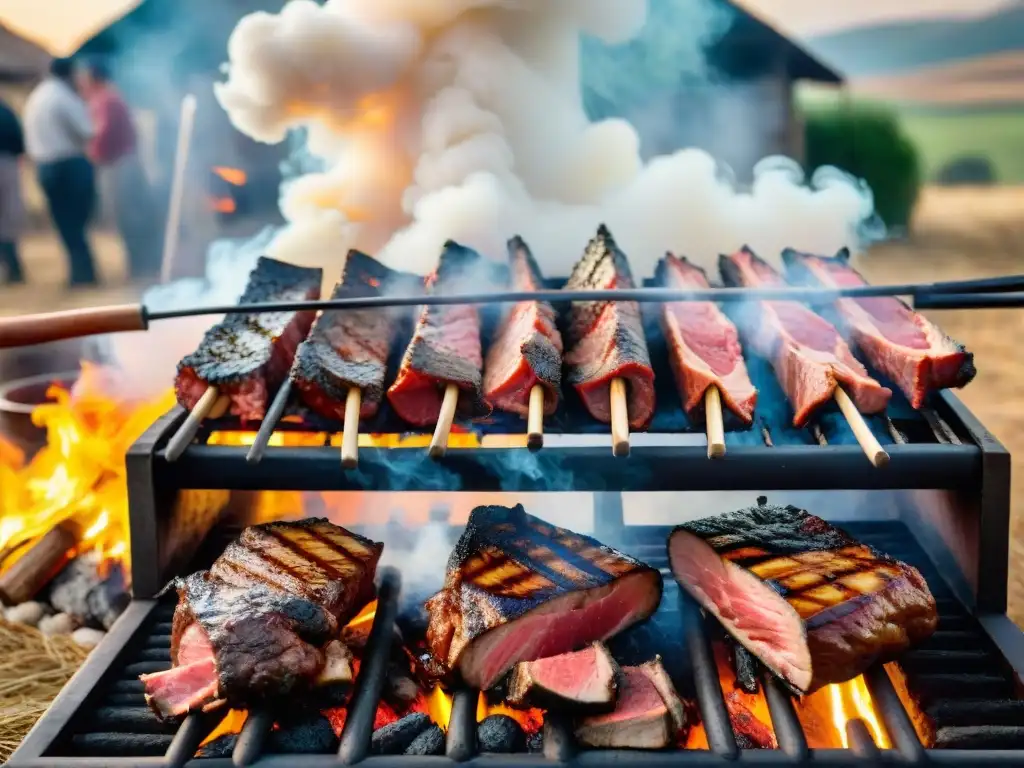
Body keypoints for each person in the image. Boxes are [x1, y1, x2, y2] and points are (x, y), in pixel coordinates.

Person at [77, 58, 160, 280]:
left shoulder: (107, 100)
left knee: (128, 216)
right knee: (128, 216)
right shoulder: (110, 98)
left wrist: (91, 152)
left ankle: (140, 265)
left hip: (119, 165)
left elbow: (103, 135)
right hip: (122, 163)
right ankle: (139, 263)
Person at [23, 57, 98, 287]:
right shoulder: (64, 97)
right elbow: (87, 131)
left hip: (45, 166)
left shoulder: (36, 97)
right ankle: (84, 274)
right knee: (77, 222)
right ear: (69, 74)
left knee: (64, 223)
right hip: (69, 165)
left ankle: (78, 272)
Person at [0, 97, 25, 284]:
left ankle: (11, 268)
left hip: (7, 163)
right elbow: (19, 142)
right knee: (8, 219)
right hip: (9, 164)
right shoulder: (6, 111)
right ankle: (13, 267)